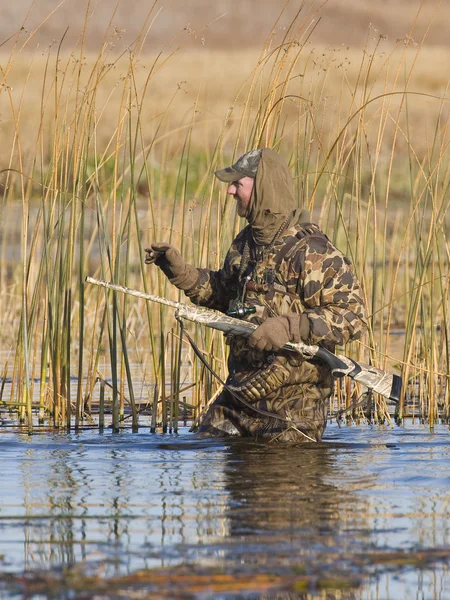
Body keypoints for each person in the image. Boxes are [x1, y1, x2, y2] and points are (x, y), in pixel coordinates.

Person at [145, 148, 367, 442]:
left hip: (293, 407)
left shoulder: (313, 252)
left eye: (238, 183)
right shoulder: (245, 243)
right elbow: (224, 295)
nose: (229, 190)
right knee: (200, 446)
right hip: (240, 395)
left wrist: (290, 326)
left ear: (263, 186)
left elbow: (352, 317)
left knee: (272, 478)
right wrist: (181, 272)